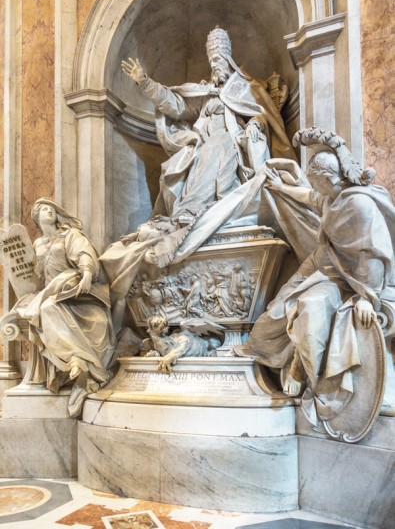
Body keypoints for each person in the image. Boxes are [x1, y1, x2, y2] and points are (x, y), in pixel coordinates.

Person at [235, 128, 395, 426]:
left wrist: (366, 298)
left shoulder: (359, 205)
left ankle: (300, 367)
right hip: (322, 264)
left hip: (352, 280)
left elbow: (372, 254)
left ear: (327, 178)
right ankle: (261, 354)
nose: (314, 185)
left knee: (309, 308)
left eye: (316, 179)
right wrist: (280, 188)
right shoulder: (331, 198)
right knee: (276, 312)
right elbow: (308, 197)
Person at [121, 27, 295, 226]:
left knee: (218, 146)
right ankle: (189, 210)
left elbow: (263, 114)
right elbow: (176, 106)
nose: (214, 65)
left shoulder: (246, 87)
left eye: (218, 60)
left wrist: (255, 124)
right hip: (202, 144)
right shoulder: (205, 93)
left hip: (233, 140)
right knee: (180, 164)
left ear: (228, 61)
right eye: (211, 61)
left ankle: (200, 209)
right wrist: (145, 83)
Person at [12, 198, 116, 416]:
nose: (49, 212)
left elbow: (84, 253)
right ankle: (77, 360)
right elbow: (35, 275)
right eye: (44, 210)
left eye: (52, 209)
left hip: (76, 292)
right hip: (52, 294)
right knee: (47, 307)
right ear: (37, 219)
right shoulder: (38, 244)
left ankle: (83, 363)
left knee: (46, 305)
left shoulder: (69, 234)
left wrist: (87, 274)